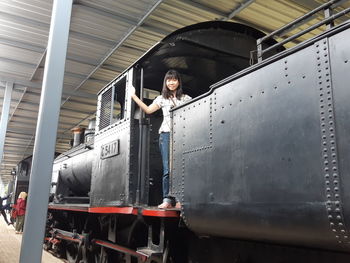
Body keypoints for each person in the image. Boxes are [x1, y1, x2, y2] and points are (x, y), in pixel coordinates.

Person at [130, 69, 191, 208]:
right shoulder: (161, 98)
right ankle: (167, 199)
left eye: (174, 79)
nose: (171, 82)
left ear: (178, 81)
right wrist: (134, 97)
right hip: (166, 134)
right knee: (167, 169)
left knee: (181, 168)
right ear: (165, 82)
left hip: (183, 134)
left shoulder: (186, 98)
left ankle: (180, 200)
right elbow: (148, 110)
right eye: (169, 80)